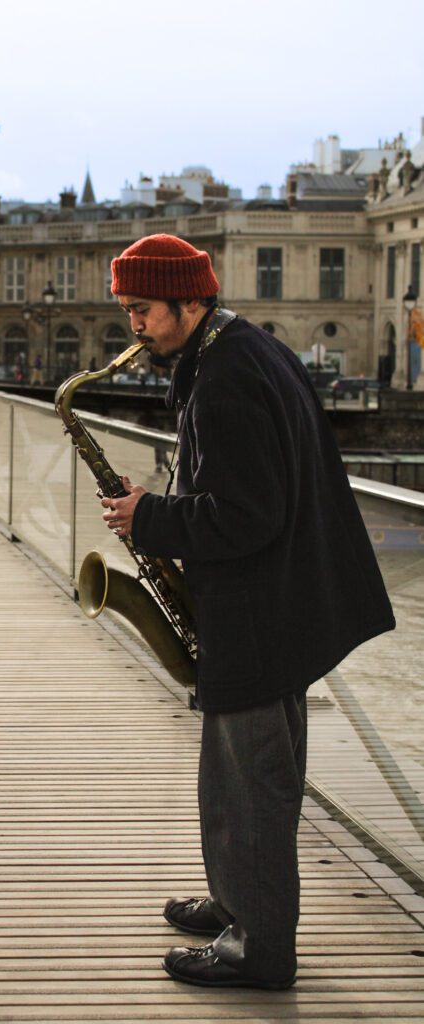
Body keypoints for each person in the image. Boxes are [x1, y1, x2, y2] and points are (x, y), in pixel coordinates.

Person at [101, 234, 395, 991]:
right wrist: (159, 508)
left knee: (253, 784)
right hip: (280, 601)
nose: (133, 327)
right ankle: (238, 900)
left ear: (188, 300)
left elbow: (246, 514)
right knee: (234, 775)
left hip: (261, 611)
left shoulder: (228, 377)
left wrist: (151, 518)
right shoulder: (239, 351)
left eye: (142, 310)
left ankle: (259, 948)